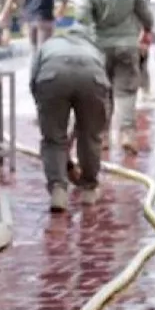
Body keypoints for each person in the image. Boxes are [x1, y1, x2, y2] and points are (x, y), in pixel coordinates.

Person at [76, 0, 154, 154]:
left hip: (99, 46)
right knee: (126, 91)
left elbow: (82, 18)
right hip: (128, 46)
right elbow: (146, 16)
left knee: (103, 92)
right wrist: (146, 30)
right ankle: (127, 133)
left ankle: (102, 136)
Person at [30, 27, 111, 212]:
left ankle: (58, 190)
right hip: (92, 76)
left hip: (52, 75)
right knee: (90, 137)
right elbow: (105, 94)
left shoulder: (49, 45)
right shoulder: (95, 49)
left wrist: (46, 113)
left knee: (53, 139)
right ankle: (89, 190)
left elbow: (34, 80)